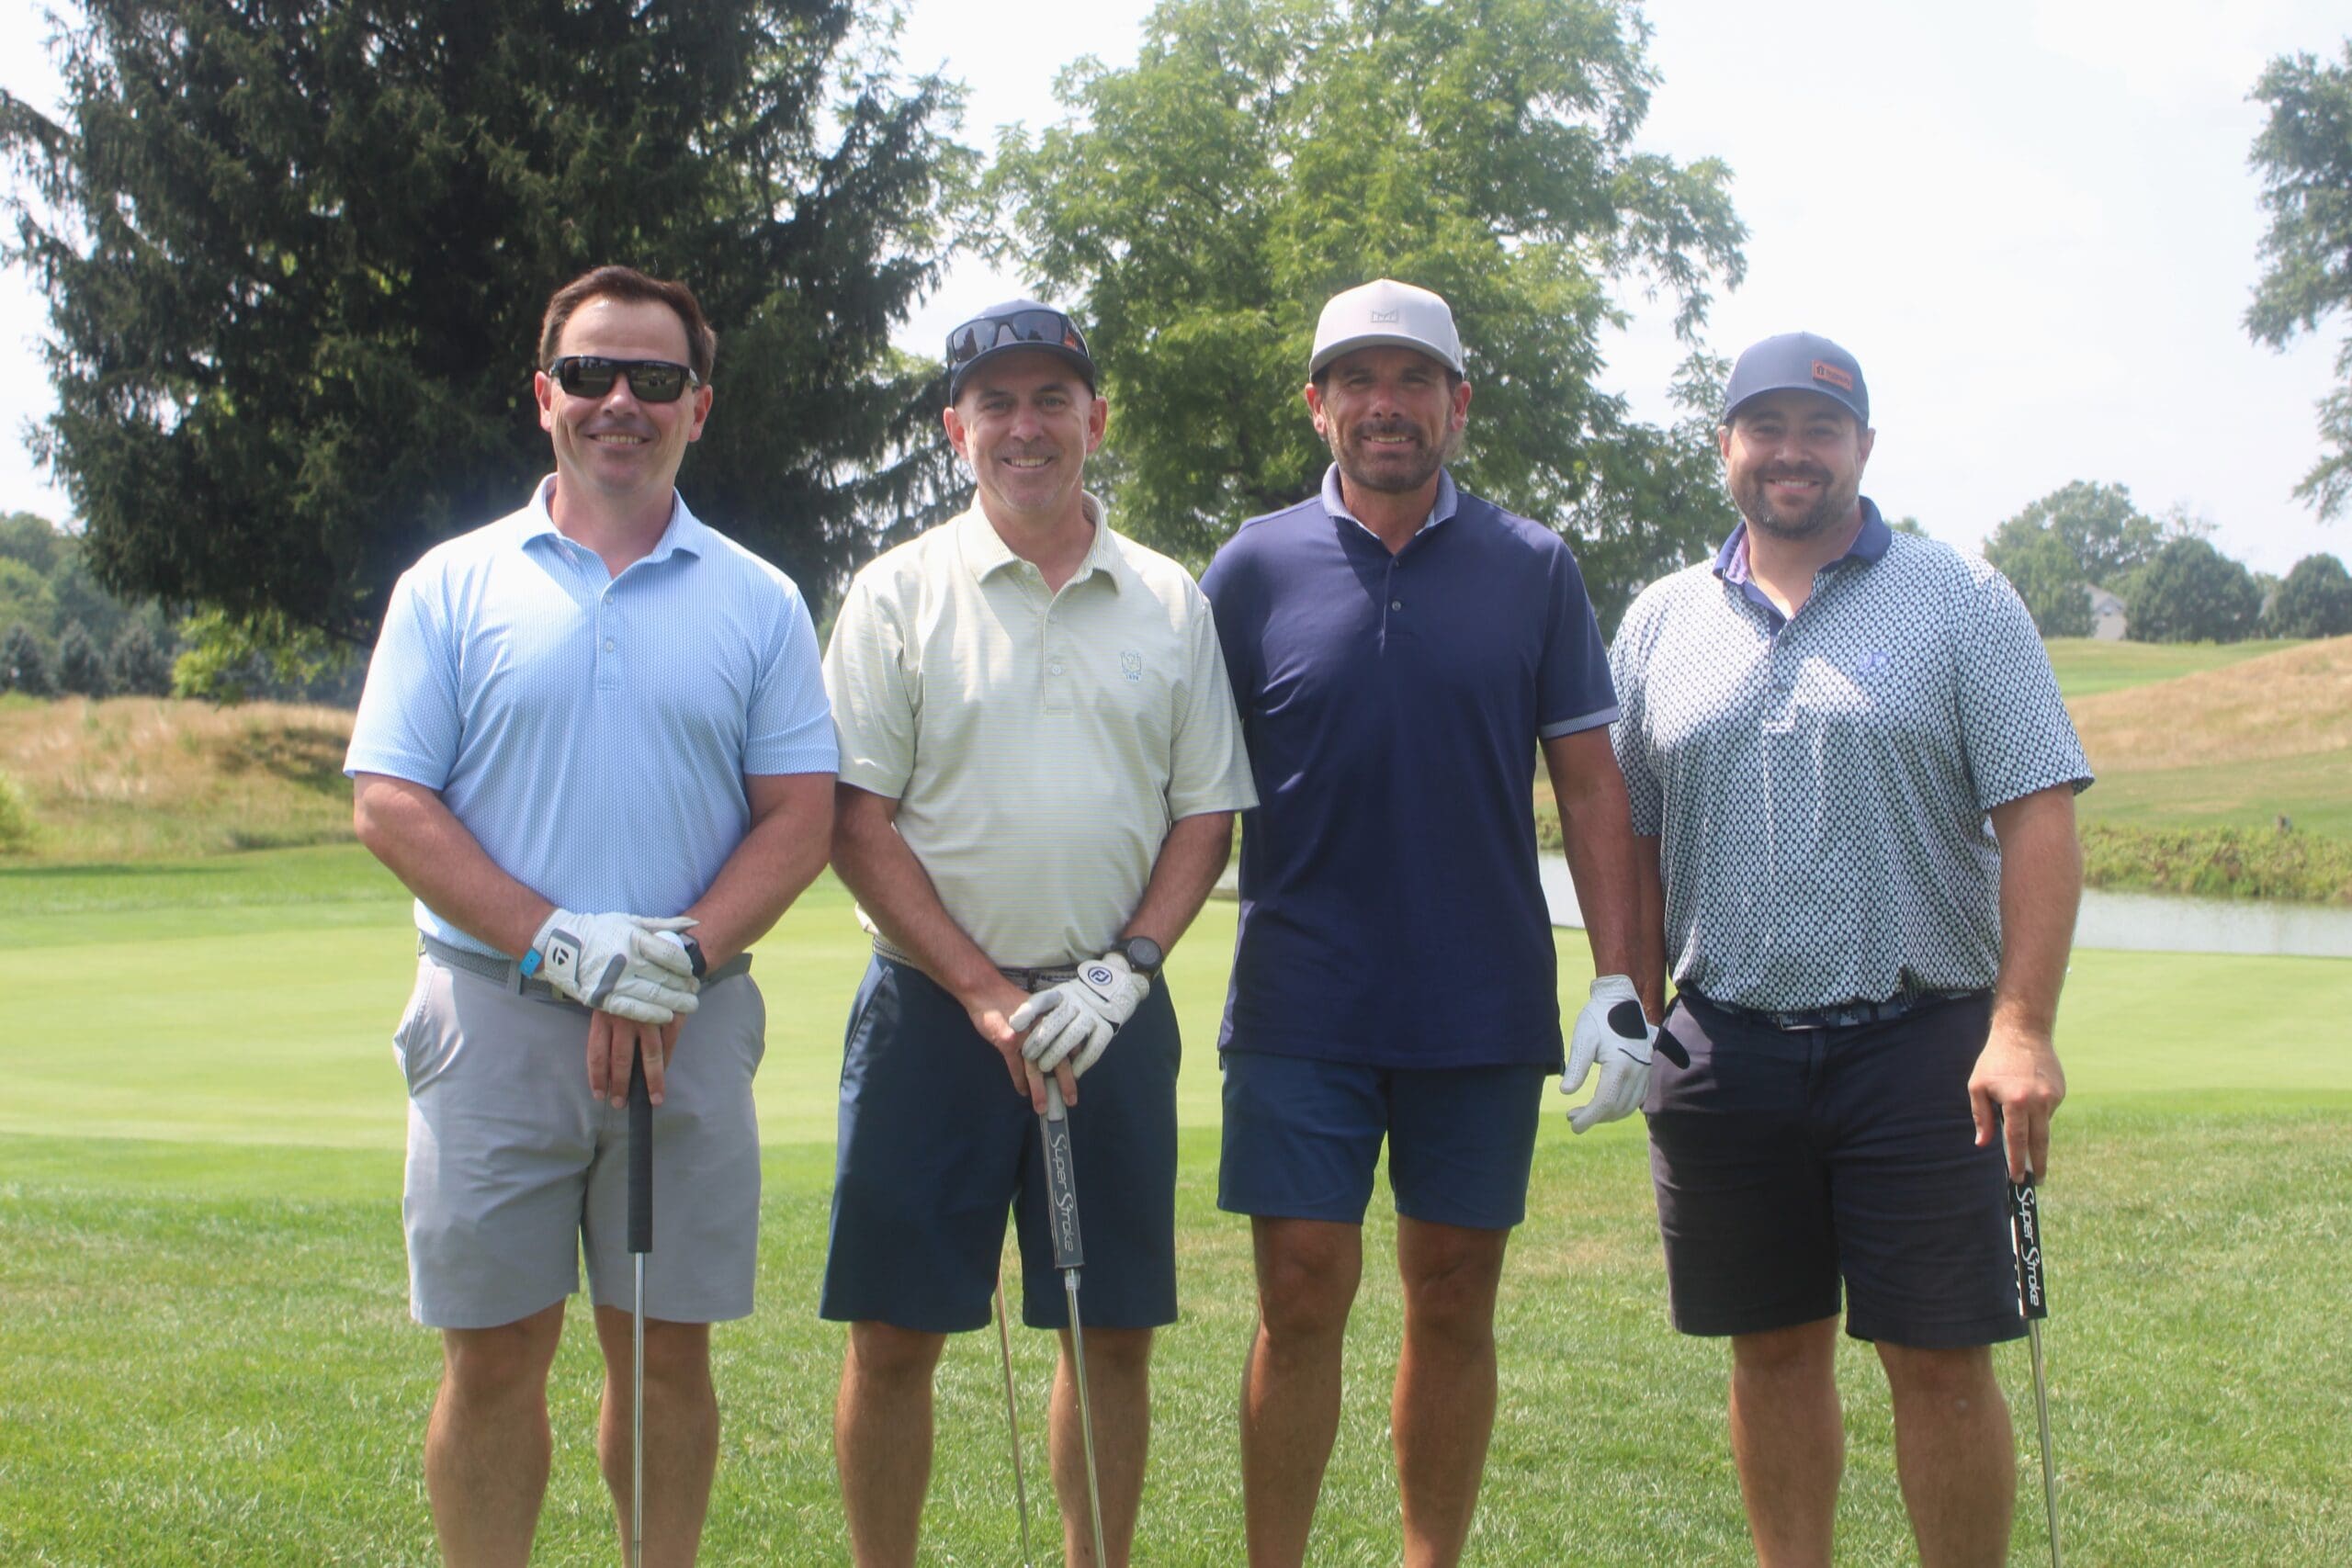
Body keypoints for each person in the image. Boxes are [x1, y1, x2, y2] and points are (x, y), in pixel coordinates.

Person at [345, 265, 837, 1566]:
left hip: (688, 1022)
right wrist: (565, 944)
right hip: (496, 1018)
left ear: (698, 406)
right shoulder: (450, 585)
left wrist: (671, 956)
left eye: (655, 378)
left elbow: (800, 817)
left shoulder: (759, 599)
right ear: (543, 395)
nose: (621, 400)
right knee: (496, 1353)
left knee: (664, 1354)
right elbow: (390, 802)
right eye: (590, 373)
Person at [1608, 332, 2090, 1567]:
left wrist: (2023, 1025)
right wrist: (1632, 1007)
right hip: (1726, 1048)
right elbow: (1632, 843)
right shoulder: (1659, 623)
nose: (1792, 452)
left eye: (1821, 429)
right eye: (1765, 427)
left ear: (1863, 446)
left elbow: (2038, 814)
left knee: (1941, 1362)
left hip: (1924, 1047)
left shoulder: (1960, 597)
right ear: (1725, 446)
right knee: (1770, 1355)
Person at [1198, 278, 1660, 1568]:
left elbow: (1591, 784)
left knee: (1453, 1297)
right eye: (1358, 380)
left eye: (1413, 381)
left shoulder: (1534, 566)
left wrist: (1619, 980)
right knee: (1299, 1293)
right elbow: (1186, 788)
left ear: (1458, 404)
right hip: (1300, 999)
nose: (1385, 405)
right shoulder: (1249, 568)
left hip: (1479, 1001)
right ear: (1318, 405)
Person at [820, 299, 1255, 1568]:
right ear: (956, 430)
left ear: (1094, 420)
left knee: (1107, 1333)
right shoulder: (896, 593)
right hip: (928, 1014)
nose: (1025, 427)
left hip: (1108, 1016)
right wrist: (976, 988)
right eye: (996, 404)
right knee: (893, 1335)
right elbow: (855, 820)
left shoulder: (1168, 598)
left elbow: (1205, 816)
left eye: (1051, 400)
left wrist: (1126, 974)